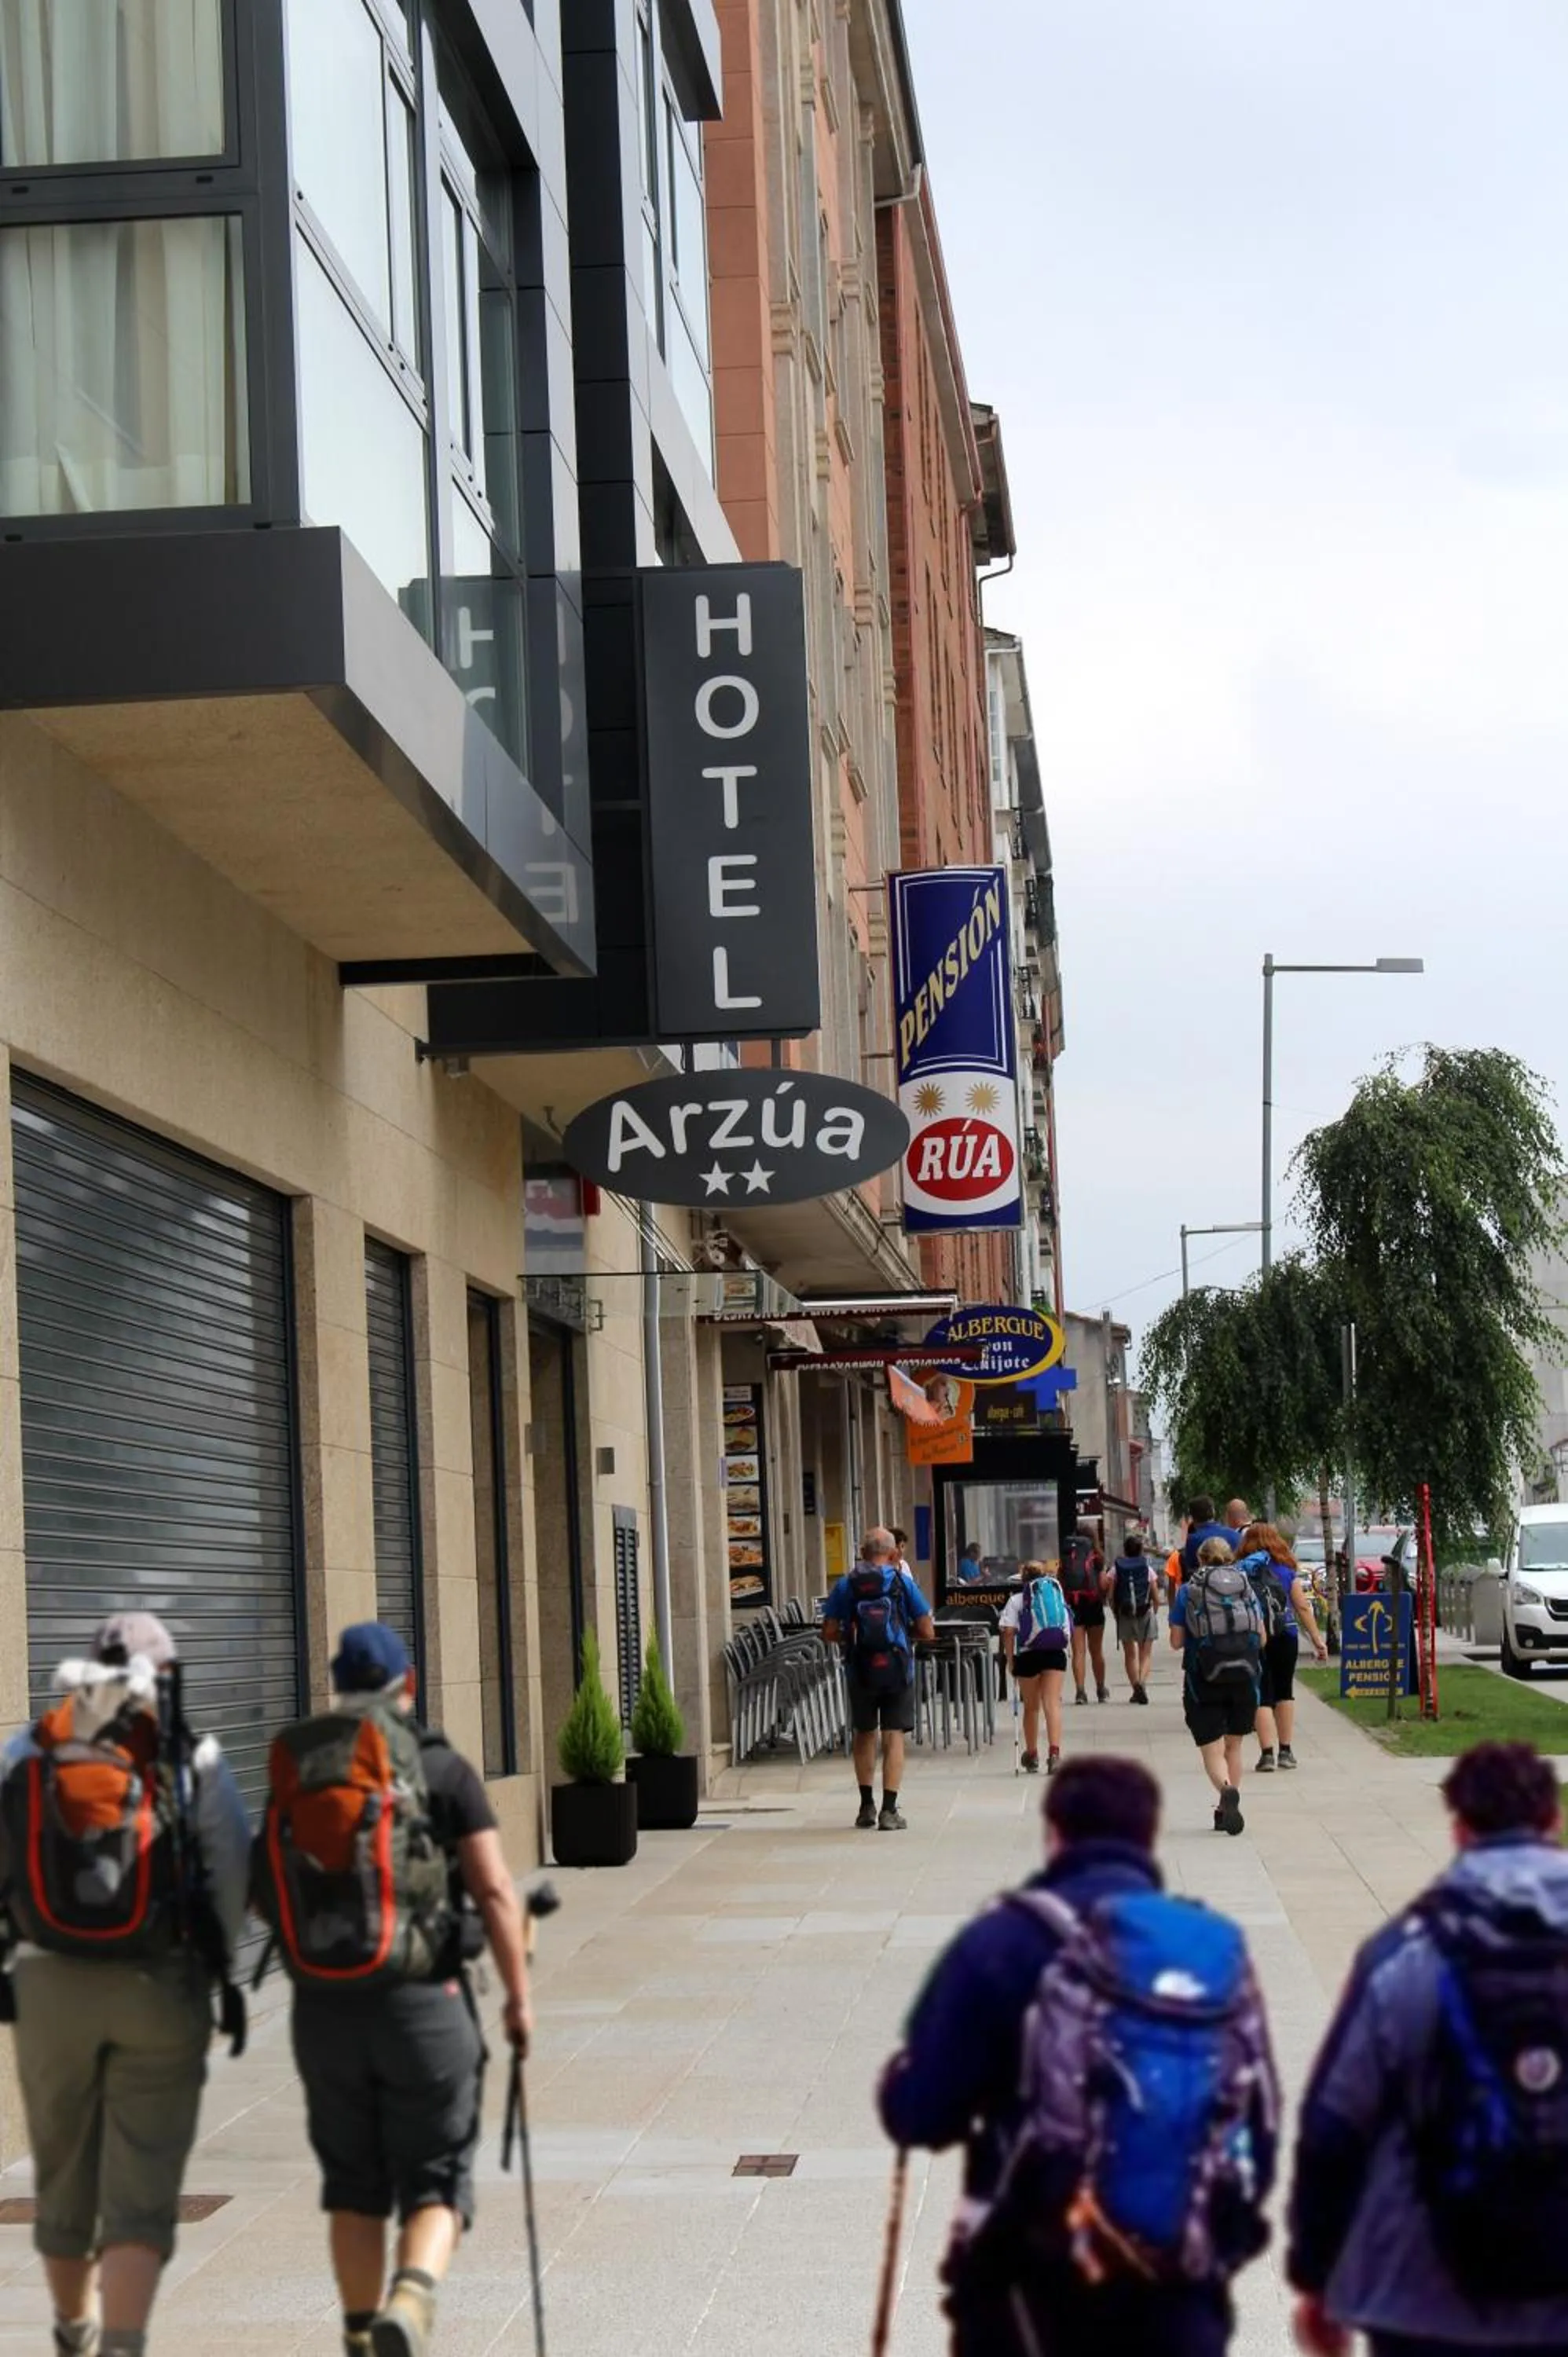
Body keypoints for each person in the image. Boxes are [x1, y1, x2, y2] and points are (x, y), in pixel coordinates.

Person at [879, 1755, 1278, 2357]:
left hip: (1032, 2289)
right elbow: (1259, 2125)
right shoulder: (1208, 1953)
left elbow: (923, 2112)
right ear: (1150, 1838)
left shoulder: (1000, 1942)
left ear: (1054, 1835)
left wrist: (898, 2084)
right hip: (1175, 2291)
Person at [266, 1624, 533, 2357]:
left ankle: (358, 2335)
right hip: (424, 2002)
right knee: (436, 2177)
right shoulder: (439, 1766)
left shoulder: (299, 1763)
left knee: (351, 2187)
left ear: (336, 1685)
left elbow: (266, 1884)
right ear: (407, 1683)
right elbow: (496, 1890)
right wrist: (517, 1998)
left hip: (322, 2010)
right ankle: (411, 2296)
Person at [0, 1611, 251, 2357]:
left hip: (47, 1987)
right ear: (166, 1679)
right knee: (140, 2184)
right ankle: (121, 2343)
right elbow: (231, 1875)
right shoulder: (190, 1756)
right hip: (155, 1982)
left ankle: (73, 2327)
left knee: (65, 2170)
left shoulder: (26, 1749)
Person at [1290, 1741, 1568, 2357]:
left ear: (1460, 1829)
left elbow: (1334, 2128)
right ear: (1553, 1821)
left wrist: (1318, 2273)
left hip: (1426, 2295)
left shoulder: (1406, 1951)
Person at [822, 1529, 936, 1830]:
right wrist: (900, 1636)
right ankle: (889, 1810)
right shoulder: (903, 1583)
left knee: (864, 1733)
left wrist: (853, 1637)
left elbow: (828, 1632)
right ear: (895, 1554)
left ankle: (865, 1806)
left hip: (859, 1667)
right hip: (898, 1668)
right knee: (893, 1734)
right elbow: (927, 1630)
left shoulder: (846, 1585)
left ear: (861, 1553)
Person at [1169, 1538, 1264, 1834]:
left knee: (1212, 1750)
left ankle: (1225, 1791)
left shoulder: (1188, 1591)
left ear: (1200, 1559)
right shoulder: (1245, 1587)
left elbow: (1175, 1642)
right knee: (1234, 1746)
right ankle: (1227, 1806)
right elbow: (1261, 1637)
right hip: (1245, 1676)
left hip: (1204, 1677)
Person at [1234, 1523, 1327, 1772]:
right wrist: (1318, 1640)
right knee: (1284, 1691)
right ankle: (1286, 1751)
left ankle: (1266, 1754)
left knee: (1261, 1692)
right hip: (1285, 1634)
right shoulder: (1286, 1571)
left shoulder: (1240, 1571)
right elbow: (1303, 1607)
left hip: (1254, 1636)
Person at [1000, 1561, 1072, 1773]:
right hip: (1055, 1653)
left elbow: (1009, 1632)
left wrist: (1011, 1662)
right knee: (1052, 1703)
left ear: (1023, 1579)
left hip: (1028, 1656)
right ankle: (1055, 1754)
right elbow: (1066, 1625)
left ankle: (1032, 1755)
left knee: (1032, 1706)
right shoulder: (1056, 1595)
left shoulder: (1016, 1600)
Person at [1061, 1523, 1108, 1705]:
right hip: (1093, 1604)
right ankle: (1101, 1689)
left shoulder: (1068, 1555)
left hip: (1074, 1605)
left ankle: (1080, 1692)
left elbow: (1061, 1580)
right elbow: (1103, 1583)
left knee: (1078, 1651)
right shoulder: (1098, 1557)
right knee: (1096, 1651)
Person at [1107, 1533, 1157, 1703]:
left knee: (1130, 1654)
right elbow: (1156, 1595)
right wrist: (1154, 1610)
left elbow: (1110, 1595)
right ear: (1141, 1550)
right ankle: (1142, 1683)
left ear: (1125, 1550)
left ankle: (1135, 1687)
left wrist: (1116, 1612)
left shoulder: (1116, 1568)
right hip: (1145, 1612)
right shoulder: (1147, 1568)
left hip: (1125, 1613)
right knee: (1146, 1653)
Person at [1181, 1494, 1240, 1576]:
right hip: (1235, 1584)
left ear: (1192, 1516)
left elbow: (1190, 1571)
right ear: (1213, 1511)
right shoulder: (1235, 1535)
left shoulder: (1193, 1540)